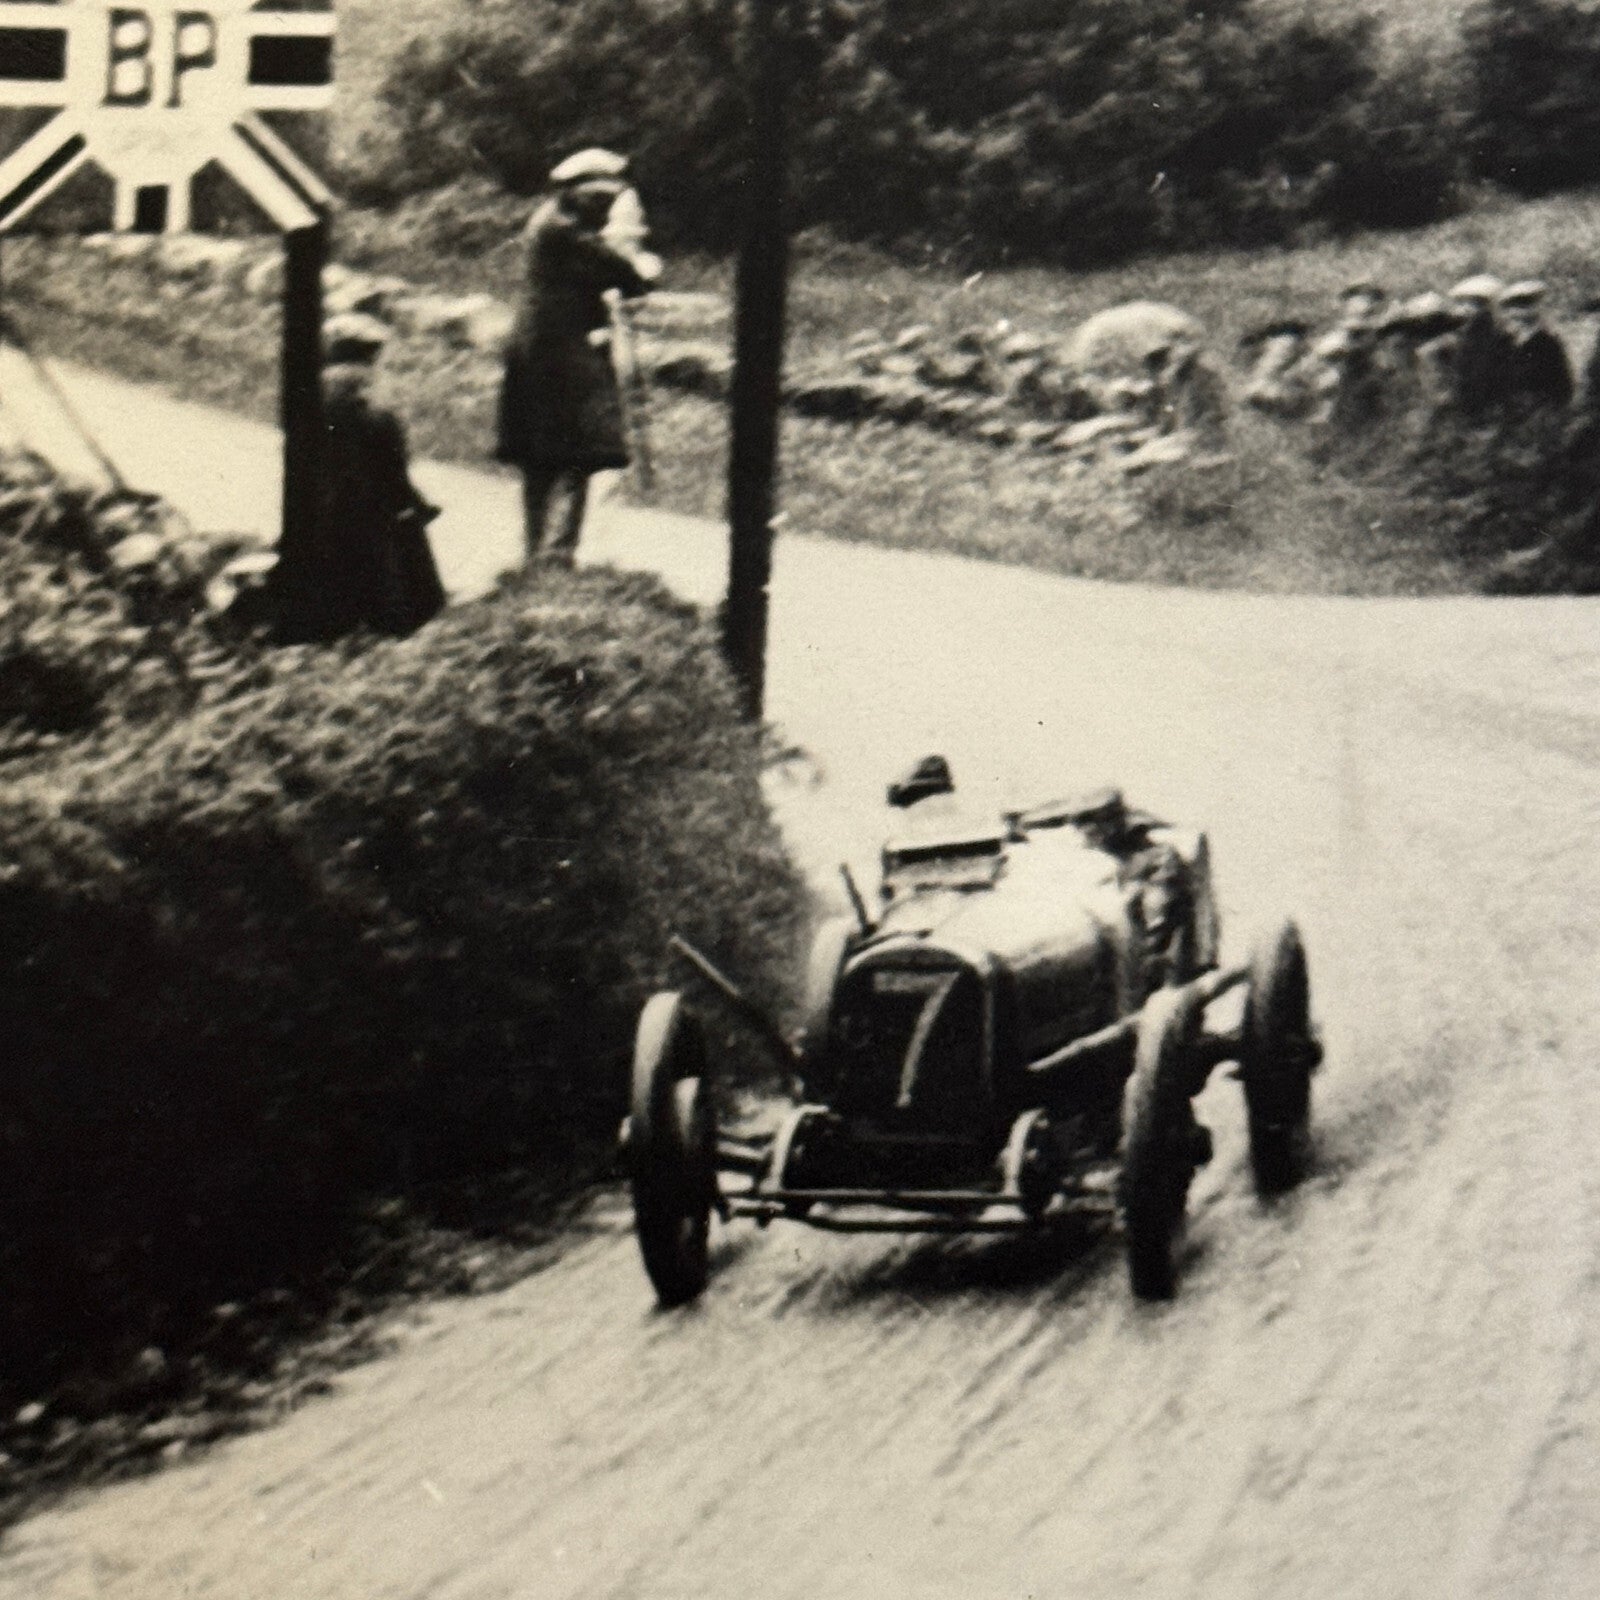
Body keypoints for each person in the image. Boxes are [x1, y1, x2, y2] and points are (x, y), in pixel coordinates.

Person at [496, 148, 662, 565]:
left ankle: (544, 548)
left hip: (547, 348)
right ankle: (554, 550)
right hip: (555, 353)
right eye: (599, 199)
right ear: (577, 193)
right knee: (573, 448)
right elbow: (625, 274)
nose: (604, 209)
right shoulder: (563, 229)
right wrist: (640, 267)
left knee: (554, 453)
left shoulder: (555, 220)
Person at [313, 313, 445, 638]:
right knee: (409, 570)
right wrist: (417, 506)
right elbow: (393, 477)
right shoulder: (379, 417)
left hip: (317, 514)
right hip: (369, 523)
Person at [1496, 280, 1574, 413]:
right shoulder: (1506, 341)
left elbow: (1563, 385)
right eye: (1512, 307)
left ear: (1535, 308)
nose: (1518, 312)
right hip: (1509, 412)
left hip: (1540, 412)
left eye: (1525, 305)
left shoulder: (1547, 342)